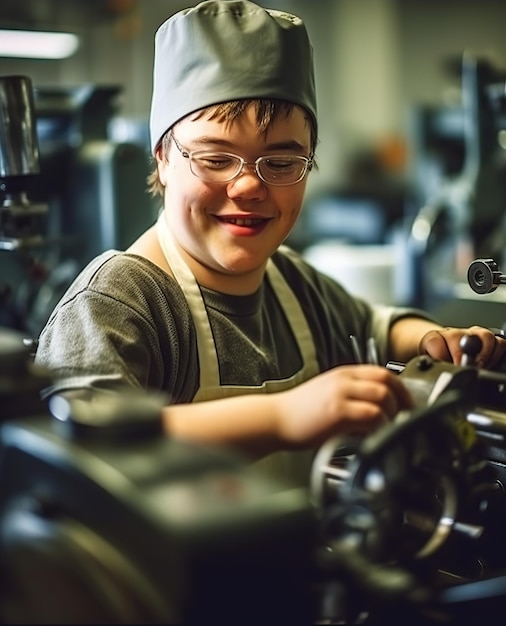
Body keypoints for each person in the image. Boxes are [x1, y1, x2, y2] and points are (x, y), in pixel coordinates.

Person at [35, 0, 505, 486]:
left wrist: (431, 341)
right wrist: (281, 419)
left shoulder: (293, 285)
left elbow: (374, 325)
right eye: (216, 159)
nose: (248, 187)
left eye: (281, 163)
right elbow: (79, 443)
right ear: (164, 159)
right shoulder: (121, 301)